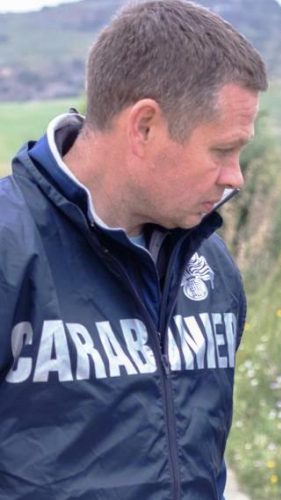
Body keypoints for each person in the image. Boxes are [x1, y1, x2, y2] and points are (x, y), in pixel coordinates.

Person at [0, 1, 266, 498]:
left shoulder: (210, 264)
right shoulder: (10, 249)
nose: (236, 177)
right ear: (144, 126)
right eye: (222, 150)